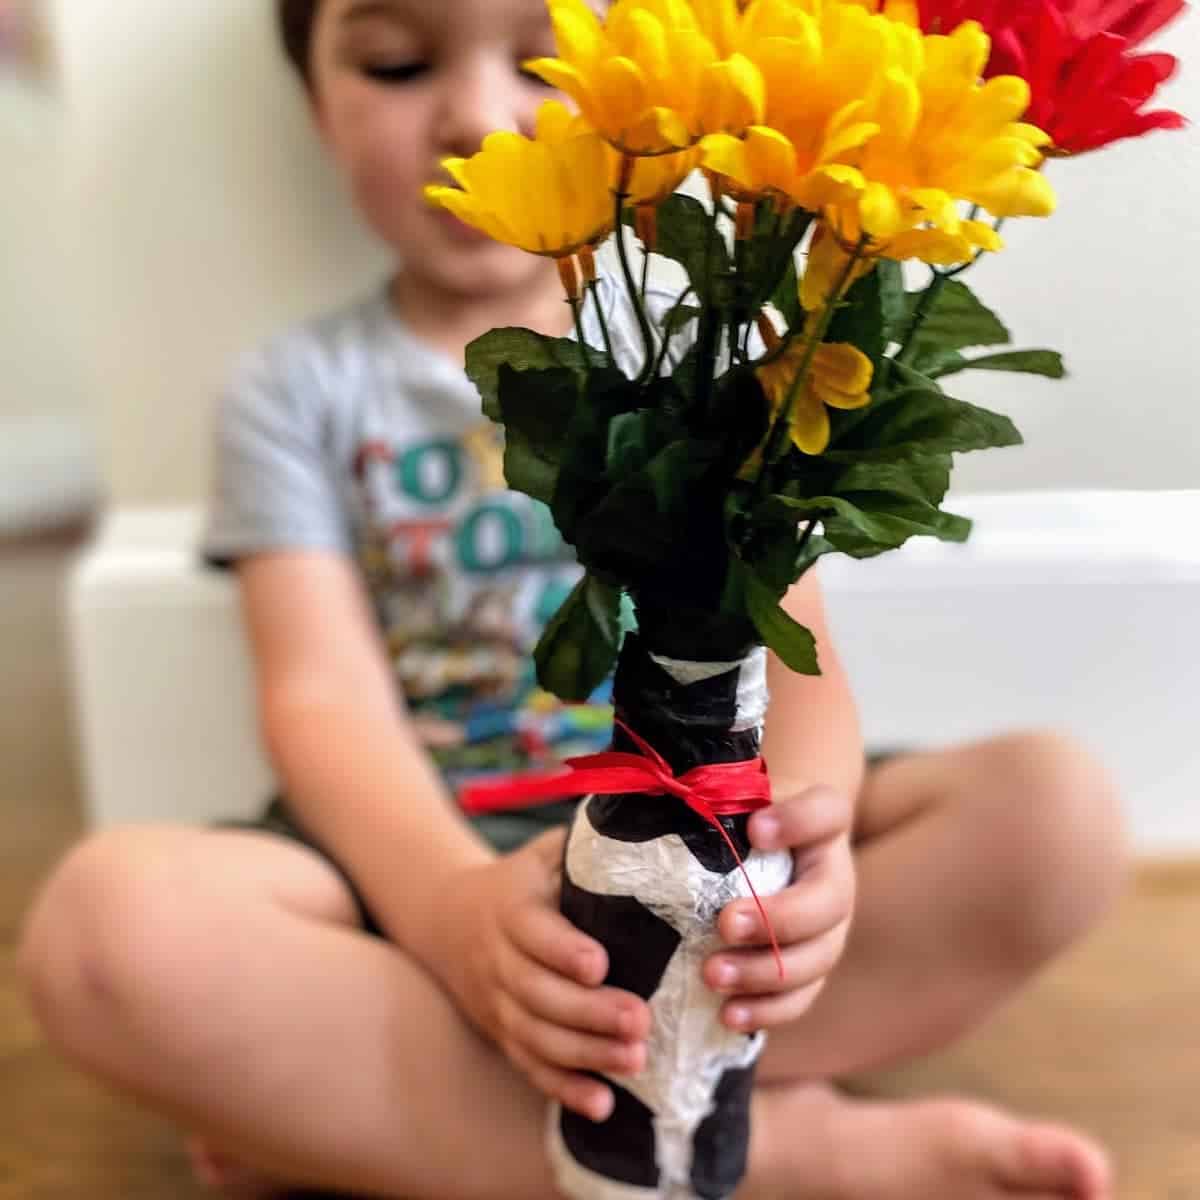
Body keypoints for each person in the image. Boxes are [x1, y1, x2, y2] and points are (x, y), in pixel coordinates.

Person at [18, 1, 1129, 1196]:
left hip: (711, 843)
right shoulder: (297, 390)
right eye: (398, 62)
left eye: (539, 60)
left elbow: (795, 642)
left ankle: (380, 1116)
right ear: (314, 105)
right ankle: (792, 1147)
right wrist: (448, 911)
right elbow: (320, 697)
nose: (476, 116)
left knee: (1052, 812)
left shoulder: (717, 349)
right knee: (103, 928)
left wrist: (809, 838)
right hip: (438, 855)